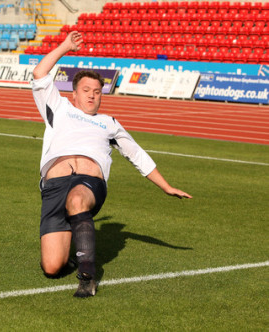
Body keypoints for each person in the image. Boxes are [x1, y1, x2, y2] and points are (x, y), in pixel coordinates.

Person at [31, 31, 192, 298]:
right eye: (86, 91)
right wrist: (66, 46)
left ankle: (87, 276)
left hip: (88, 182)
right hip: (54, 186)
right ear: (74, 94)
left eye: (97, 92)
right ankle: (68, 253)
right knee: (51, 267)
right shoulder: (58, 108)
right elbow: (39, 73)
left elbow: (137, 155)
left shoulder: (110, 123)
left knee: (77, 200)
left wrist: (166, 186)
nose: (92, 96)